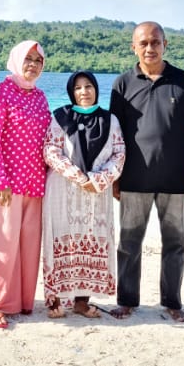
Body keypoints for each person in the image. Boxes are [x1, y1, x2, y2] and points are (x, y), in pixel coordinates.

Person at [108, 21, 184, 321]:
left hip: (177, 180)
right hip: (134, 178)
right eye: (144, 43)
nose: (150, 48)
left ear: (165, 45)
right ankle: (126, 300)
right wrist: (115, 174)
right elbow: (115, 134)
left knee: (175, 244)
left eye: (155, 42)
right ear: (133, 47)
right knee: (129, 243)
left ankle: (172, 304)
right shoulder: (122, 84)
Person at [41, 71, 126, 319]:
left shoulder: (110, 120)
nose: (84, 92)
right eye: (78, 88)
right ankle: (55, 300)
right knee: (61, 241)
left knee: (90, 241)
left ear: (96, 89)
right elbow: (51, 150)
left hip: (96, 196)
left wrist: (98, 180)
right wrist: (79, 177)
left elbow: (119, 154)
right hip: (63, 191)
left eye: (88, 86)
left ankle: (81, 301)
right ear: (71, 92)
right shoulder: (60, 118)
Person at [0, 40, 52, 330]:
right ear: (16, 60)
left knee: (27, 246)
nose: (33, 64)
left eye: (38, 60)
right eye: (28, 58)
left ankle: (22, 301)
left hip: (35, 182)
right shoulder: (3, 92)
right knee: (3, 246)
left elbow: (49, 140)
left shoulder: (41, 96)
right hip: (5, 184)